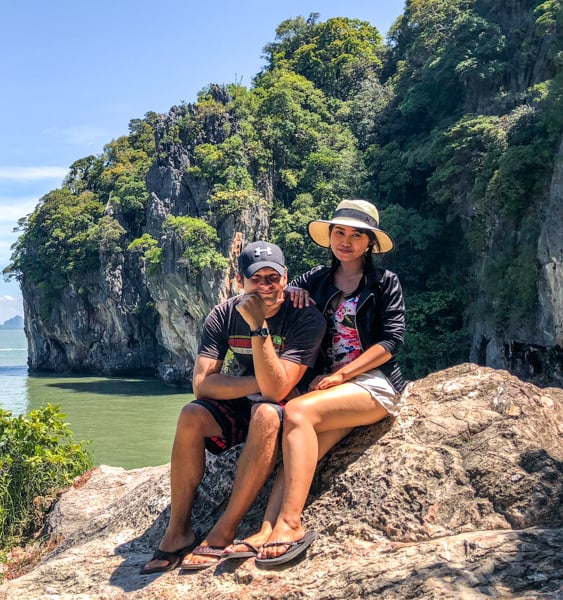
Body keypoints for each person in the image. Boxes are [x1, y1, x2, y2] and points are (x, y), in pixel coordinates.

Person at [222, 199, 407, 566]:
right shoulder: (315, 279)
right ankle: (266, 528)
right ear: (330, 237)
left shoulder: (384, 283)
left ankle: (290, 524)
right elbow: (273, 297)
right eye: (340, 232)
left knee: (296, 412)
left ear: (370, 243)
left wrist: (342, 373)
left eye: (357, 235)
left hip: (372, 383)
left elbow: (391, 341)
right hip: (329, 390)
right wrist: (292, 294)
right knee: (301, 451)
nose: (346, 241)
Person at [140, 241, 326, 574]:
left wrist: (258, 326)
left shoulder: (305, 316)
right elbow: (202, 385)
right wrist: (261, 383)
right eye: (257, 279)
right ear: (241, 281)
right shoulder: (224, 314)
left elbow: (280, 391)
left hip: (290, 409)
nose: (266, 286)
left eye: (274, 277)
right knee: (192, 414)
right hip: (246, 401)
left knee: (267, 412)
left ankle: (224, 529)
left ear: (286, 279)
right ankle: (178, 529)